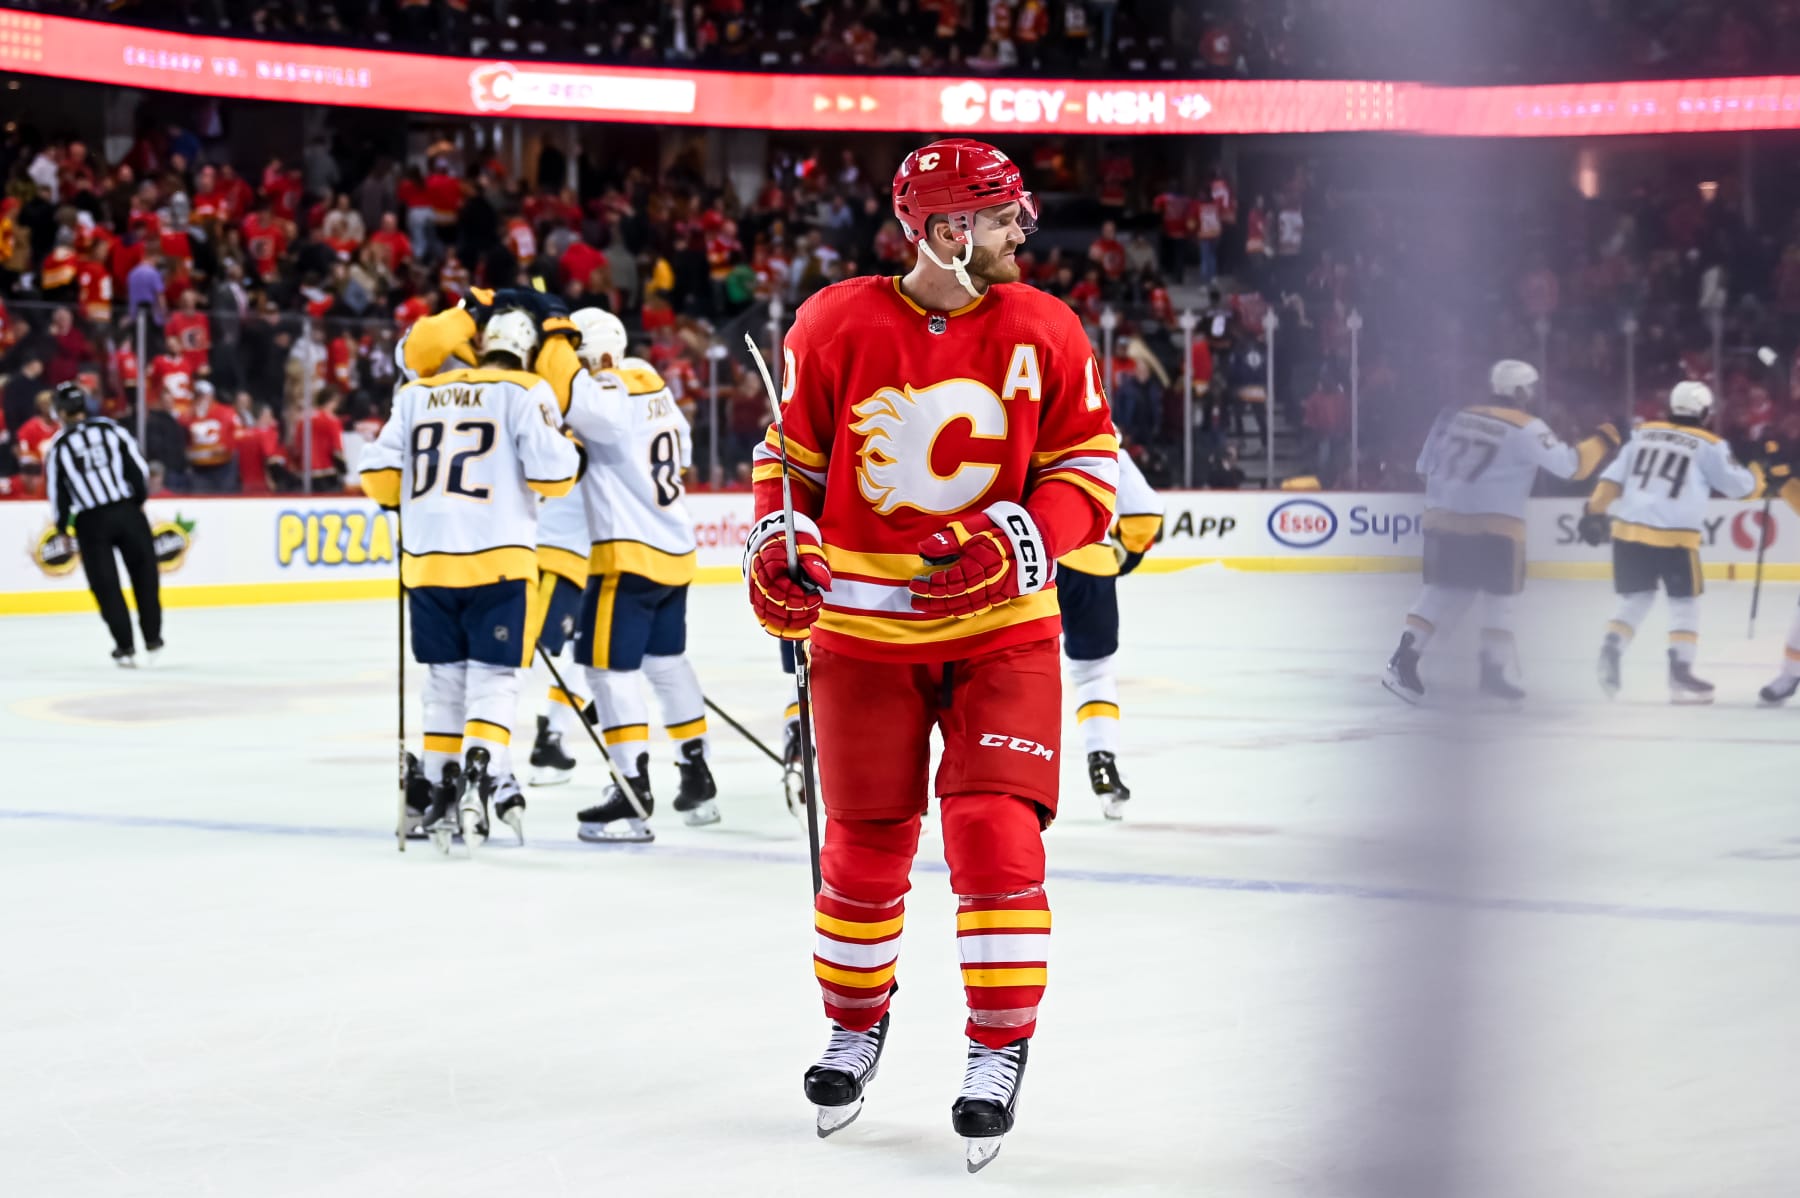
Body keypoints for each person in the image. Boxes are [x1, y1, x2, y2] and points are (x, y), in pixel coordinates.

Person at [744, 139, 1118, 1169]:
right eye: (997, 217)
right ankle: (855, 1024)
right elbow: (790, 468)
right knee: (863, 849)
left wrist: (1022, 537)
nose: (1017, 231)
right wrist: (779, 546)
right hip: (863, 636)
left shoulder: (1048, 327)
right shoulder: (834, 321)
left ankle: (998, 1048)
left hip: (1004, 633)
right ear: (944, 230)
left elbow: (1091, 475)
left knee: (997, 834)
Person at [358, 306, 584, 853]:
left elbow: (379, 477)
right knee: (494, 680)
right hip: (499, 558)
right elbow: (556, 475)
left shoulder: (416, 394)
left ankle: (437, 784)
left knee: (443, 682)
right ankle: (480, 773)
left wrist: (409, 499)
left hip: (429, 561)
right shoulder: (525, 389)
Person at [563, 308, 718, 843]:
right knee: (667, 662)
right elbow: (685, 452)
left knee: (608, 672)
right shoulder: (653, 384)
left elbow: (580, 422)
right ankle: (697, 773)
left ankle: (630, 791)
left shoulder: (604, 391)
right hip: (675, 546)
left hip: (627, 553)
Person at [1382, 360, 1620, 704]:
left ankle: (1405, 661)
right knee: (1500, 599)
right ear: (1520, 391)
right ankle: (1491, 672)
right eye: (1531, 388)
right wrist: (1605, 437)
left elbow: (1423, 468)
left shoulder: (1456, 416)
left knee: (1440, 591)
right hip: (1496, 525)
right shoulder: (1526, 427)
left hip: (1442, 516)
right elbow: (1573, 467)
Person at [1579, 382, 1758, 703]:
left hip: (1628, 532)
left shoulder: (1641, 433)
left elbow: (1611, 479)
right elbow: (1741, 489)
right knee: (1684, 603)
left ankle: (1612, 646)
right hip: (1674, 538)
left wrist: (1593, 511)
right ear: (1704, 411)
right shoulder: (1708, 443)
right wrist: (1760, 473)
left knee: (1636, 599)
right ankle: (1680, 673)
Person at [1053, 451, 1164, 818]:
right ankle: (1104, 766)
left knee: (1005, 667)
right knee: (1094, 674)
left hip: (1031, 558)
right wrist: (1120, 554)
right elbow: (1146, 512)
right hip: (1093, 564)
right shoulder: (1103, 432)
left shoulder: (1020, 411)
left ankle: (1008, 776)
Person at [43, 381, 163, 666]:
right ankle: (152, 637)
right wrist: (136, 502)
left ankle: (125, 645)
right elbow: (138, 469)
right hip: (126, 510)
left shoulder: (59, 447)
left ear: (60, 411)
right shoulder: (111, 429)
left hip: (91, 521)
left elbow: (57, 493)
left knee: (105, 584)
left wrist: (62, 528)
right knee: (145, 573)